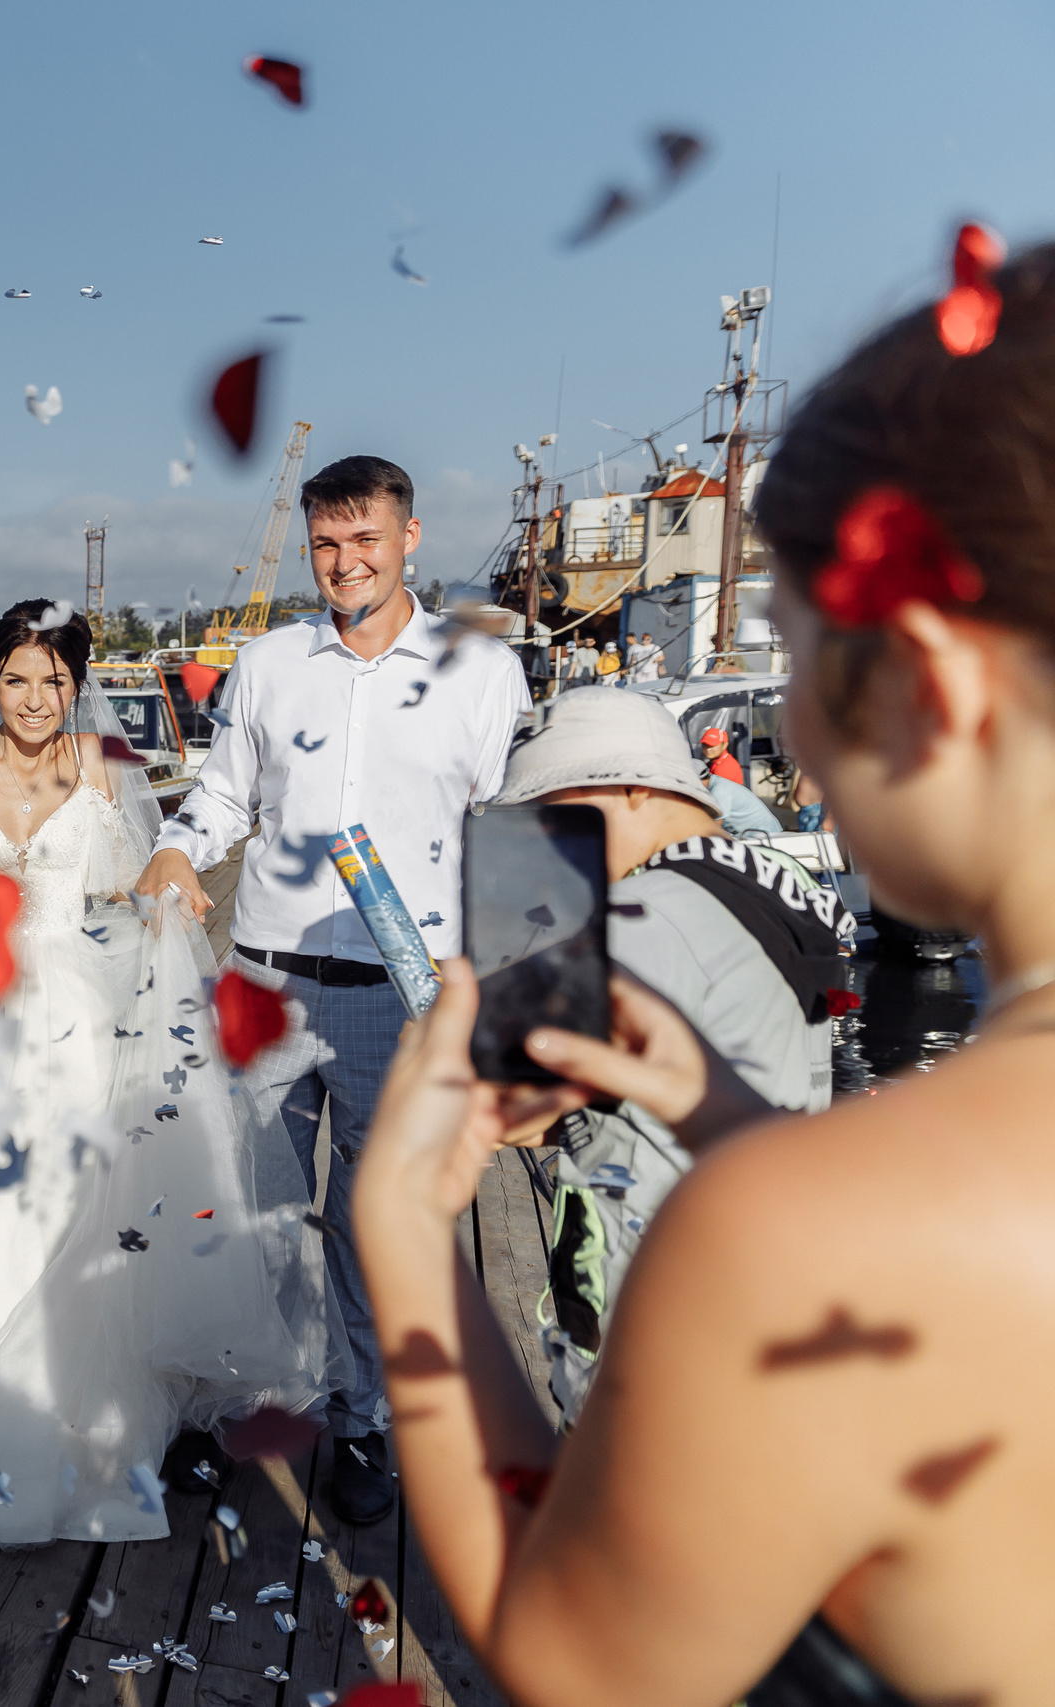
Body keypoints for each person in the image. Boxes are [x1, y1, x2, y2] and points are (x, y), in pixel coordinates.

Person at [352, 242, 1055, 1706]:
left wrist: (405, 1232)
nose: (785, 729)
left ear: (930, 681)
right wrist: (730, 1112)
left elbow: (579, 1655)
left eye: (800, 656)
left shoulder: (803, 1235)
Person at [0, 600, 341, 1548]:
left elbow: (139, 885)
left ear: (77, 685)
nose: (36, 698)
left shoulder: (104, 766)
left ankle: (106, 1401)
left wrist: (169, 910)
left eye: (53, 680)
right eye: (17, 679)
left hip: (87, 1005)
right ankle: (13, 1410)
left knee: (96, 1205)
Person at [134, 458, 531, 1524]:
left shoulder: (481, 670)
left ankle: (362, 1421)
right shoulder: (266, 663)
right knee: (246, 1211)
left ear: (411, 537)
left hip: (398, 994)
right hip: (262, 973)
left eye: (365, 539)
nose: (344, 561)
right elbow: (221, 796)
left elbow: (506, 839)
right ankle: (236, 1409)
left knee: (370, 1222)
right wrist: (178, 848)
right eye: (325, 543)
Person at [484, 687, 848, 1419]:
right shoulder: (785, 885)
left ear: (631, 788)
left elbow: (505, 1105)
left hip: (652, 1325)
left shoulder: (639, 917)